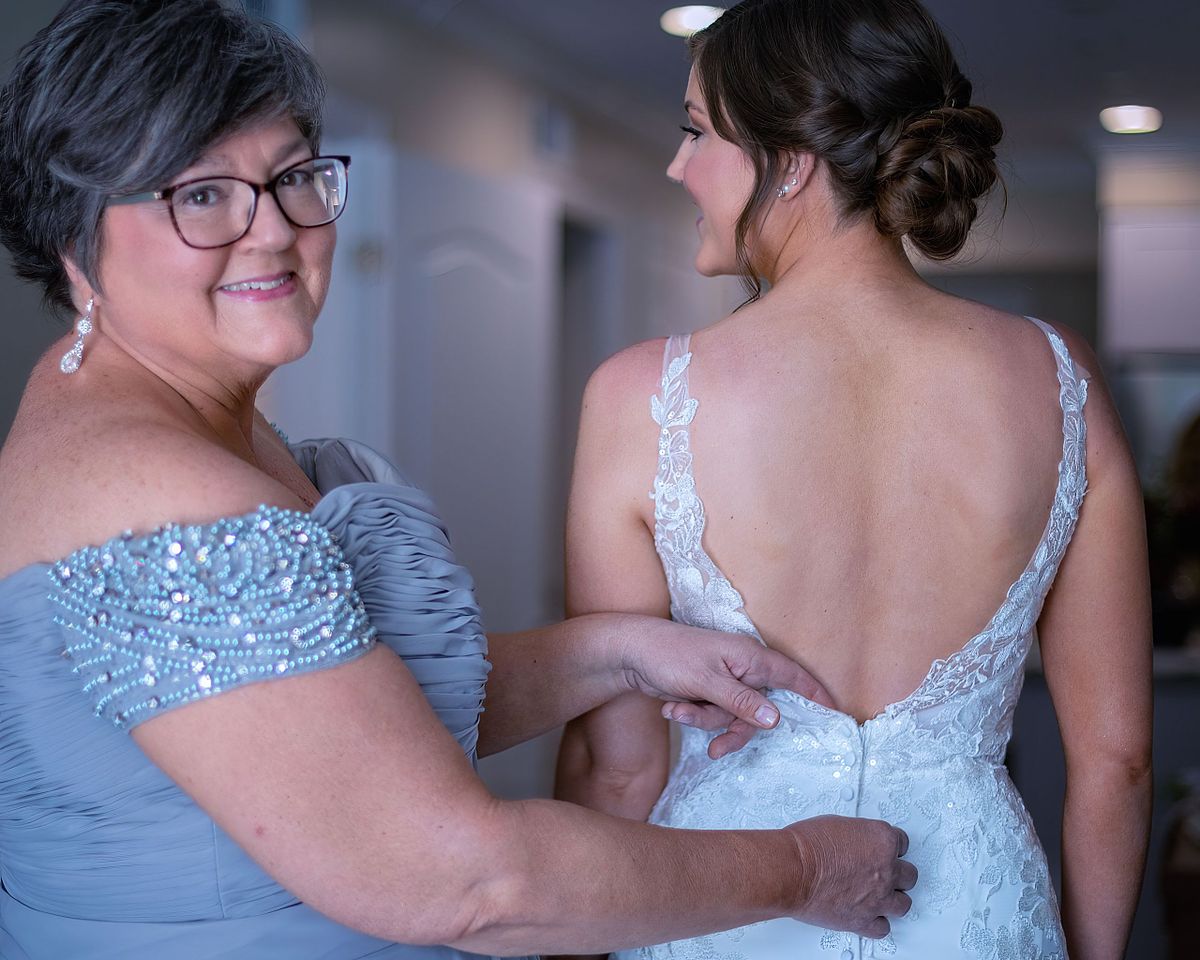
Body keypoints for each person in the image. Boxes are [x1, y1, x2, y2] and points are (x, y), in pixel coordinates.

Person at [0, 2, 918, 958]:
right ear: (76, 239)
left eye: (291, 177)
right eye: (201, 195)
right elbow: (470, 882)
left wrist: (618, 652)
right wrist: (802, 871)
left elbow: (347, 728)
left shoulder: (176, 428)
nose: (272, 231)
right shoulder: (156, 494)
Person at [555, 1, 1152, 958]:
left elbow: (614, 766)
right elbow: (1116, 762)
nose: (677, 165)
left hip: (723, 914)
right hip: (975, 917)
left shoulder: (640, 396)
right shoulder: (1058, 380)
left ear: (789, 160)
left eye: (696, 131)